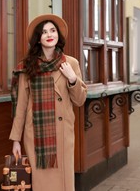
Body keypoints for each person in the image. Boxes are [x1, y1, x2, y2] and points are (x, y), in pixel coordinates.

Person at [9, 14, 87, 191]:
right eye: (44, 32)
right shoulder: (27, 66)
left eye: (52, 30)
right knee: (42, 183)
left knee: (63, 183)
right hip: (36, 134)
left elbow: (80, 100)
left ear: (58, 35)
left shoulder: (70, 63)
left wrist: (72, 78)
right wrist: (16, 140)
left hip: (62, 134)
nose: (49, 35)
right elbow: (21, 105)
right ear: (38, 39)